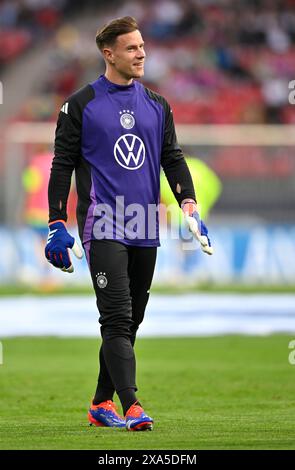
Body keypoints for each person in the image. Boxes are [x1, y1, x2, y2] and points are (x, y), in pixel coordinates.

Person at [45, 16, 212, 432]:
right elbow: (62, 164)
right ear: (109, 54)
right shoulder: (80, 105)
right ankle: (132, 405)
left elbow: (171, 157)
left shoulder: (158, 105)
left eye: (142, 46)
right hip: (102, 222)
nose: (141, 53)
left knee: (131, 320)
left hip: (145, 223)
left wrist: (188, 206)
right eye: (132, 47)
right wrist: (55, 222)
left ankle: (101, 402)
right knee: (116, 318)